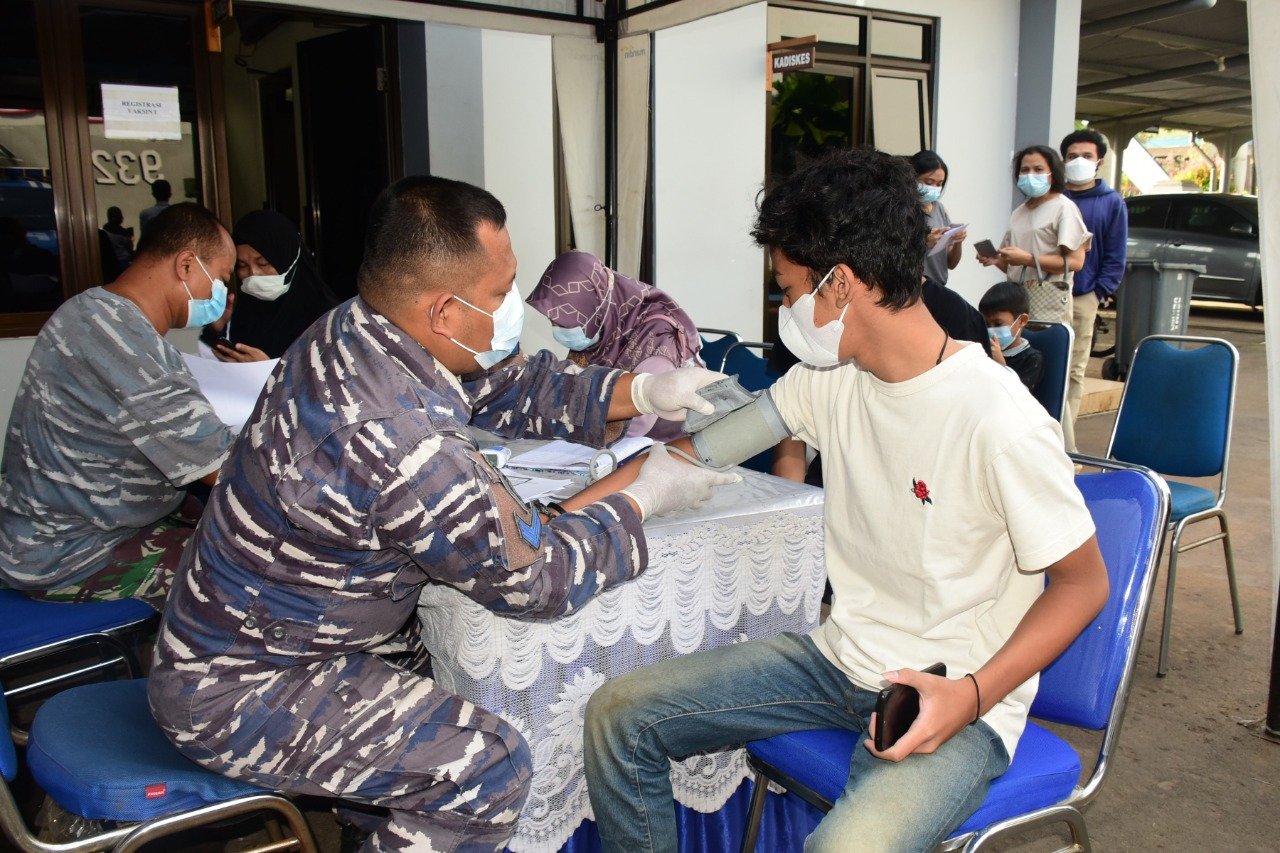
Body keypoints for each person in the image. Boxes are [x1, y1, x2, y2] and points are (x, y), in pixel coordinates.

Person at [147, 175, 737, 853]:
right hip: (242, 687)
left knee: (451, 663)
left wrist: (644, 389)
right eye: (501, 293)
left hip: (275, 635)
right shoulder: (396, 434)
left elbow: (511, 383)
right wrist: (642, 497)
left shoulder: (358, 330)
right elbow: (537, 578)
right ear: (445, 312)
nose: (513, 308)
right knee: (487, 766)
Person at [583, 147, 1109, 852]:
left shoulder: (997, 418)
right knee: (619, 716)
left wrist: (974, 696)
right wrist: (560, 520)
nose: (784, 310)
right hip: (839, 660)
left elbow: (1083, 583)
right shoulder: (831, 380)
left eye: (787, 288)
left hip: (952, 696)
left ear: (840, 284)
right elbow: (690, 454)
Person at [0, 203, 236, 609]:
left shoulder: (89, 309)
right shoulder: (127, 341)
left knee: (209, 515)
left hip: (52, 525)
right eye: (221, 278)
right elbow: (225, 470)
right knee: (251, 570)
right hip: (70, 554)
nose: (221, 294)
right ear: (186, 265)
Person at [771, 276, 990, 484]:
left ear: (841, 282)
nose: (786, 304)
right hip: (826, 487)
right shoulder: (814, 374)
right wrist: (792, 496)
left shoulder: (958, 318)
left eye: (788, 289)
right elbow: (786, 422)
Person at [526, 251, 703, 441]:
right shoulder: (600, 328)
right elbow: (571, 387)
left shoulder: (657, 336)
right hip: (615, 441)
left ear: (593, 305)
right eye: (553, 321)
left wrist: (565, 423)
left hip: (668, 443)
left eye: (563, 322)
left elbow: (638, 422)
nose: (557, 329)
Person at [1061, 128, 1127, 453]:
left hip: (1084, 295)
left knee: (1074, 371)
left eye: (1086, 156)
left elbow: (1116, 254)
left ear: (1099, 161)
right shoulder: (1054, 199)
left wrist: (1098, 291)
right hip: (1049, 294)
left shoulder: (1111, 203)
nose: (1079, 161)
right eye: (1072, 156)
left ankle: (1066, 443)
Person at [201, 209, 340, 361]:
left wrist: (267, 369)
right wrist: (218, 331)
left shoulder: (329, 319)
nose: (253, 273)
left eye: (263, 263)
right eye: (242, 265)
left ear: (289, 259)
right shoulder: (245, 310)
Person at [910, 149, 966, 286]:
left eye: (939, 184)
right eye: (928, 182)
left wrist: (958, 241)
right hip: (913, 287)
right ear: (912, 177)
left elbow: (951, 263)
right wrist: (924, 242)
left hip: (938, 286)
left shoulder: (940, 209)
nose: (934, 188)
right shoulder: (903, 210)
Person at [980, 281, 1044, 391]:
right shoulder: (983, 349)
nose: (991, 330)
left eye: (998, 324)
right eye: (986, 324)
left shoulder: (1032, 359)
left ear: (1022, 321)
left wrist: (1001, 366)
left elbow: (1019, 396)